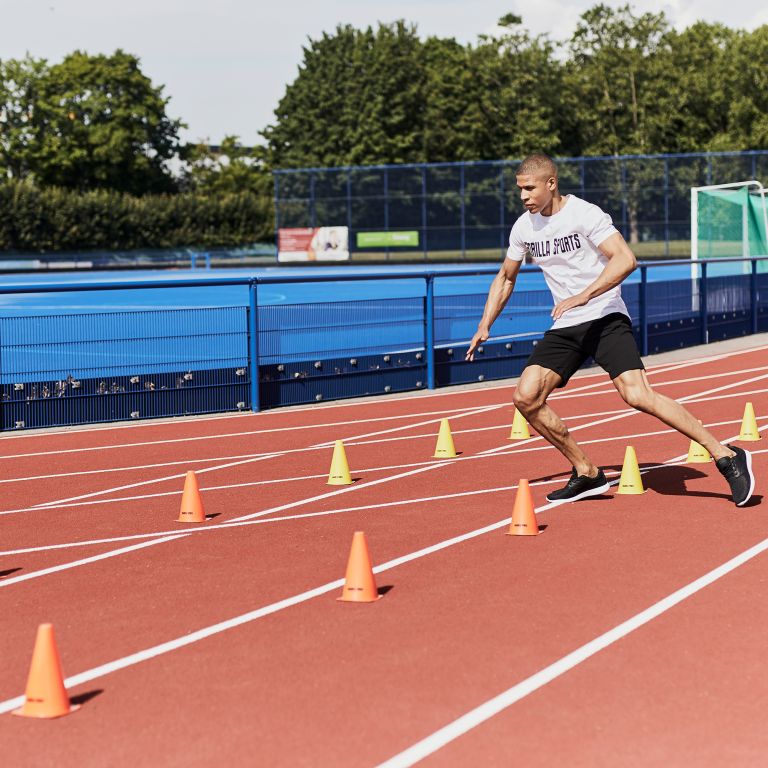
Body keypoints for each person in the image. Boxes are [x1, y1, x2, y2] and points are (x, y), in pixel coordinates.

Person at [466, 153, 755, 507]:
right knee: (526, 397)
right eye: (520, 190)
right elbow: (505, 277)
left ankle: (726, 455)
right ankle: (587, 472)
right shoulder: (523, 228)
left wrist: (584, 295)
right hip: (567, 323)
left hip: (605, 316)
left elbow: (625, 259)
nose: (524, 196)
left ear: (551, 183)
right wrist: (484, 325)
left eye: (529, 188)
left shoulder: (584, 214)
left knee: (637, 395)